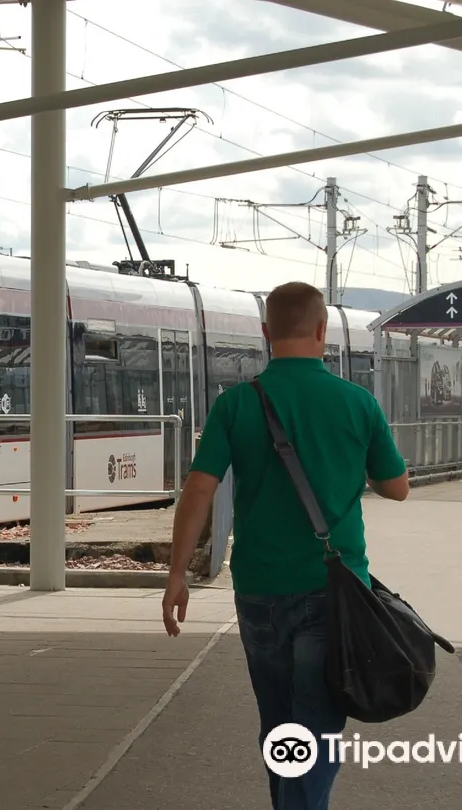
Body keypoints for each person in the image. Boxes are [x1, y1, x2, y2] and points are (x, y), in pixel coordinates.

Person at [162, 281, 410, 810]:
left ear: (265, 332)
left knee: (278, 724)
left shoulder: (236, 404)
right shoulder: (357, 402)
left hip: (258, 590)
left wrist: (177, 575)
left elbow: (199, 490)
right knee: (316, 726)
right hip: (336, 591)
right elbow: (397, 488)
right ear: (323, 330)